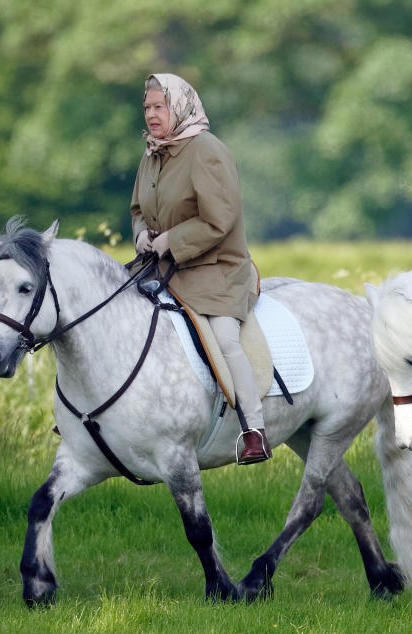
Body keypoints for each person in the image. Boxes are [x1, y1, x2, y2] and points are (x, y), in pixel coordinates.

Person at [131, 73, 270, 464]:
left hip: (216, 270)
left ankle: (253, 429)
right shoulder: (152, 153)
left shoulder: (207, 150)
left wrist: (170, 241)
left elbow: (219, 219)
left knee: (225, 338)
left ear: (180, 106)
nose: (152, 114)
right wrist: (142, 235)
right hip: (162, 268)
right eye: (147, 108)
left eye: (160, 106)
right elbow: (139, 210)